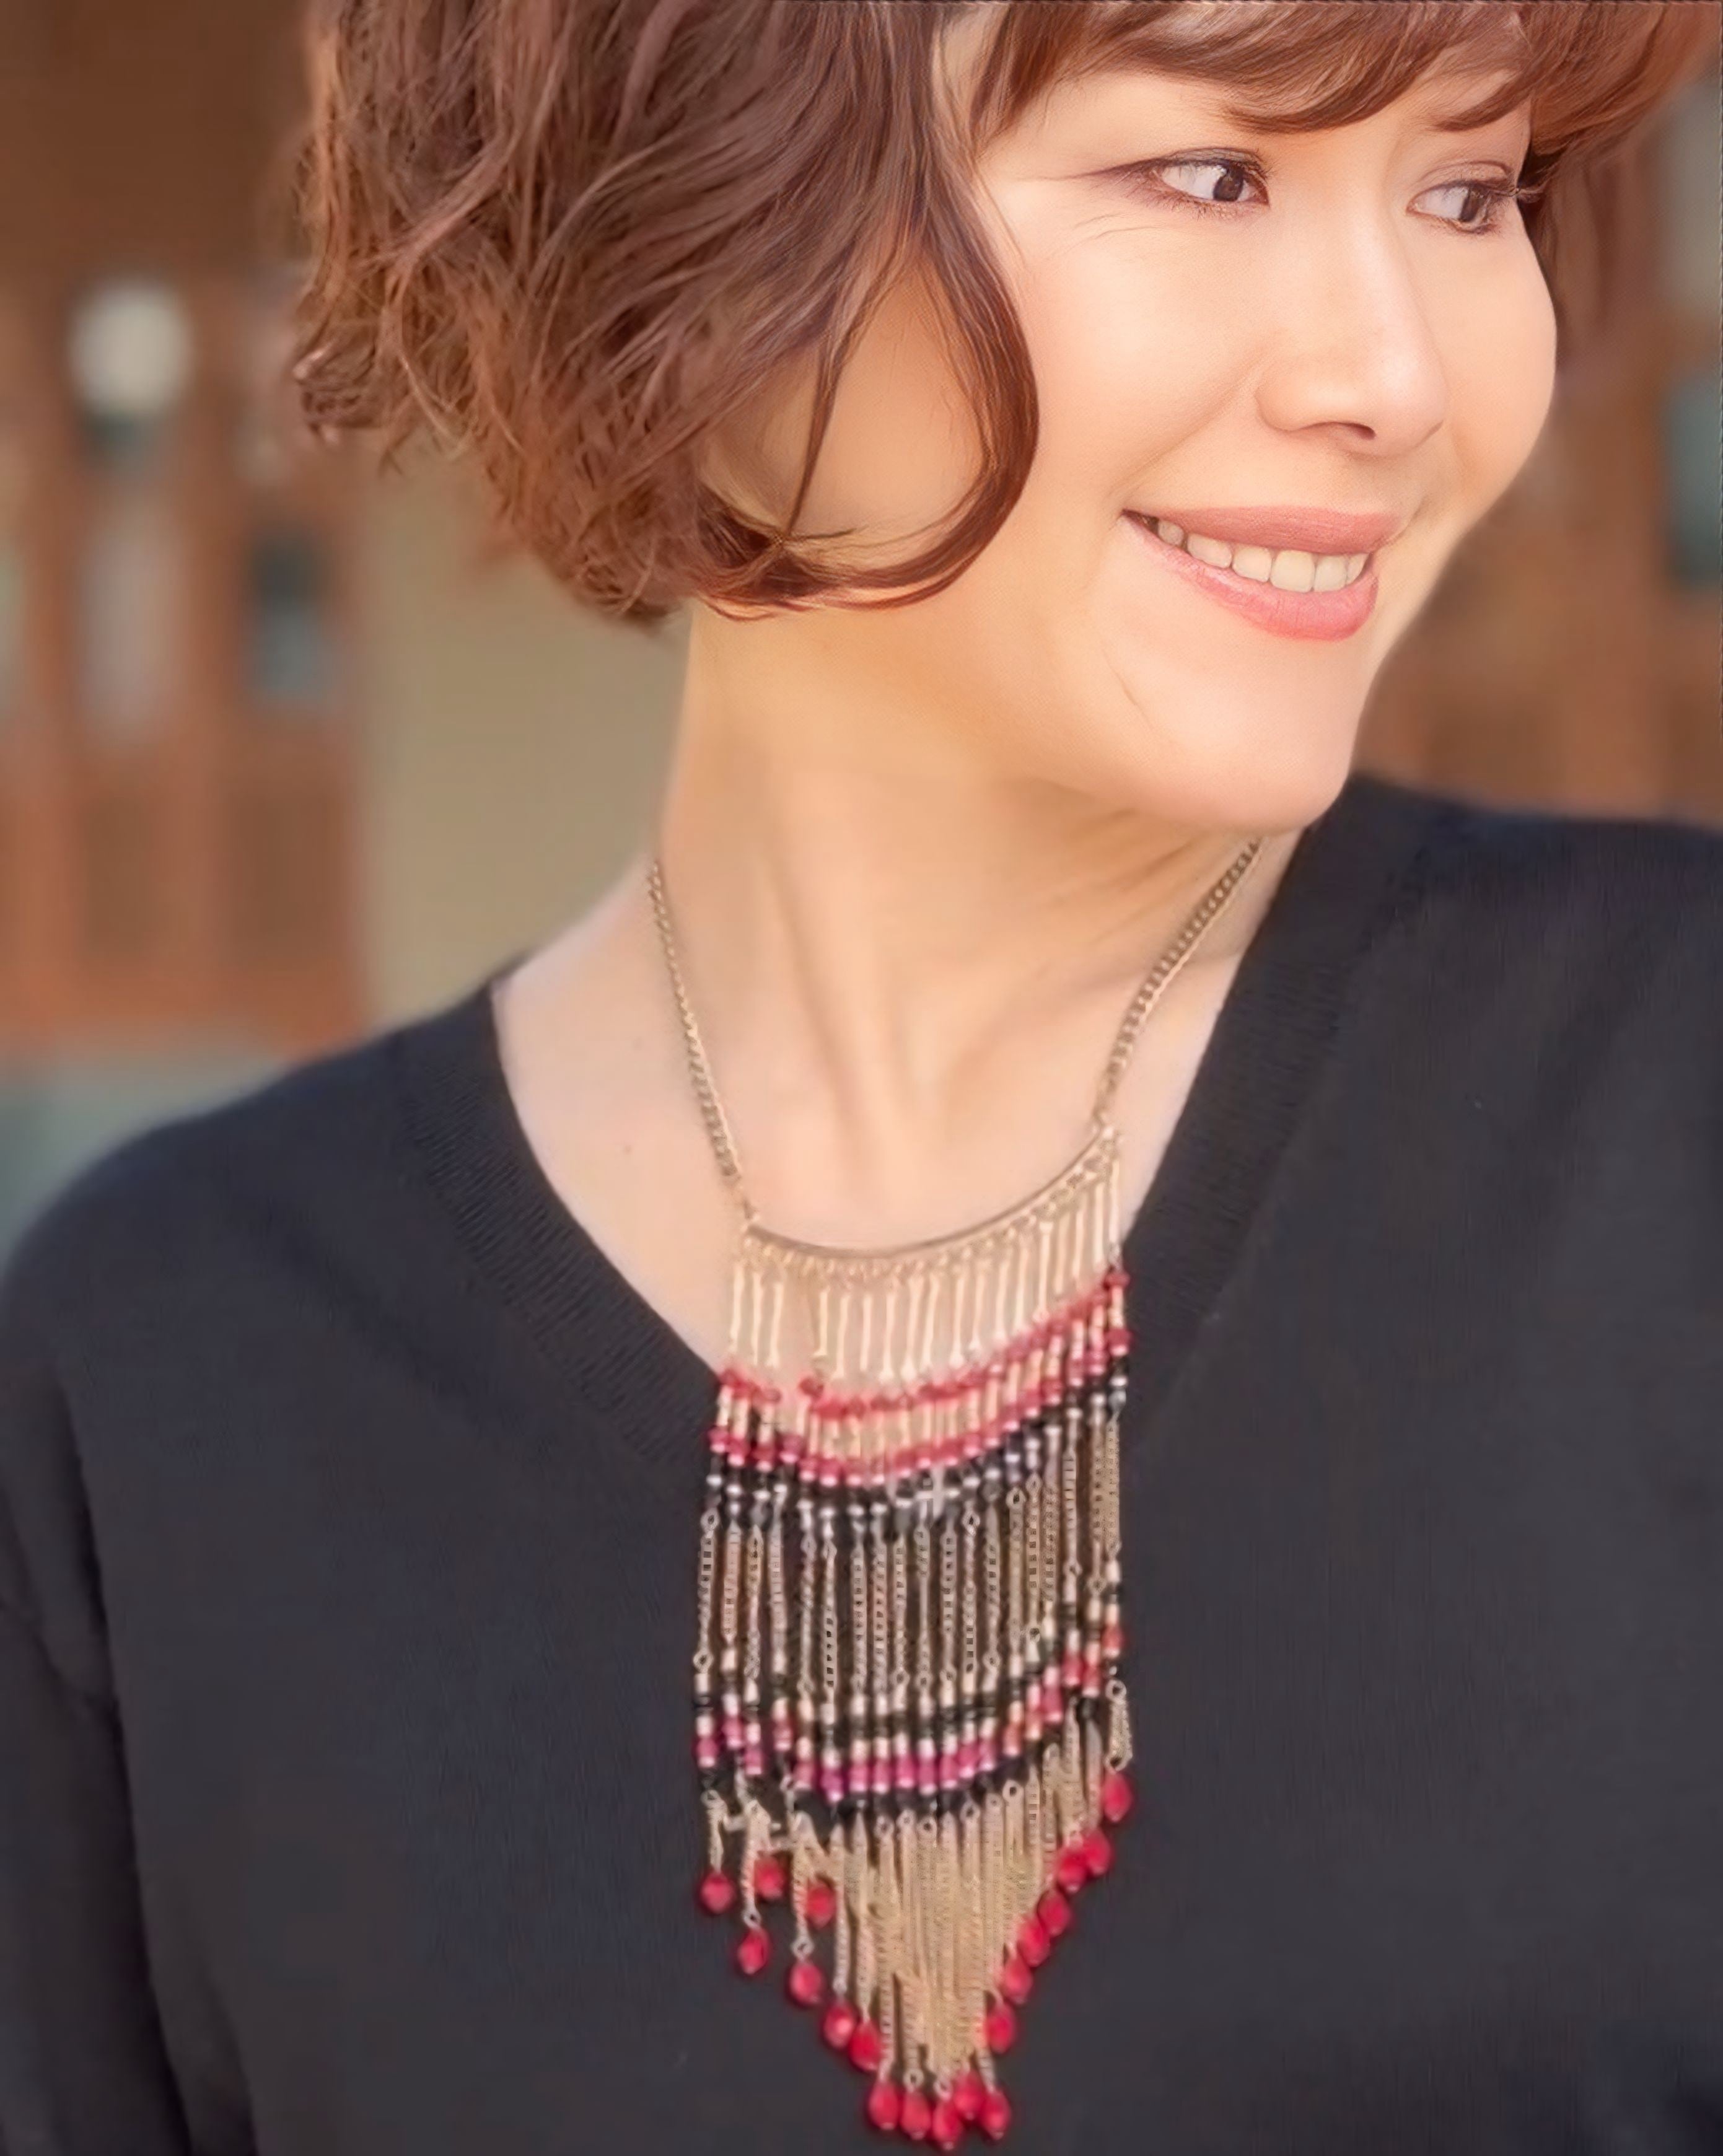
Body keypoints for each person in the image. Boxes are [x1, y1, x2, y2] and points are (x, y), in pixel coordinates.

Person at [2, 3, 1719, 2152]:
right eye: (1210, 173)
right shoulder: (173, 1377)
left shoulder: (1671, 1123)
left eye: (1469, 194)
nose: (1394, 376)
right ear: (707, 192)